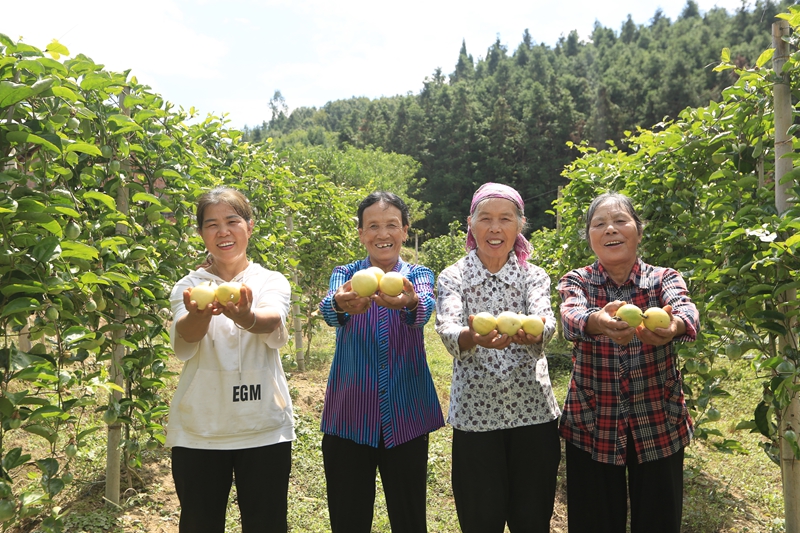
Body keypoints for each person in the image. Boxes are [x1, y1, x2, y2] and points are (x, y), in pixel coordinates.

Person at [557, 192, 699, 533]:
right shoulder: (578, 280)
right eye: (599, 224)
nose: (610, 229)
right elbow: (570, 316)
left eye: (620, 221)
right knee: (593, 522)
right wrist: (597, 321)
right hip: (593, 422)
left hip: (657, 421)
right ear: (589, 236)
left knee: (659, 521)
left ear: (638, 230)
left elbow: (685, 309)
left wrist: (674, 326)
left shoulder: (663, 278)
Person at [435, 182, 561, 533]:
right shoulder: (454, 276)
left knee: (532, 520)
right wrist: (472, 337)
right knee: (480, 521)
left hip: (532, 412)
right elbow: (447, 327)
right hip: (476, 416)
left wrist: (537, 331)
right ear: (471, 224)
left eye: (505, 219)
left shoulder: (533, 275)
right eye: (485, 218)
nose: (495, 228)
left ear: (519, 225)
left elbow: (546, 319)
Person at [166, 187, 294, 533]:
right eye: (212, 224)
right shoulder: (189, 286)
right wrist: (199, 314)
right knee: (199, 524)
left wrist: (245, 316)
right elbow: (185, 335)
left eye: (232, 221)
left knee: (267, 524)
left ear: (249, 226)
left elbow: (272, 321)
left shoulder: (270, 280)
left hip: (263, 427)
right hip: (200, 431)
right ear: (201, 233)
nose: (223, 232)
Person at [318, 191, 444, 533]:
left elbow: (424, 309)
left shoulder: (417, 275)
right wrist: (341, 304)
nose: (382, 233)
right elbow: (329, 308)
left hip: (406, 416)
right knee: (348, 519)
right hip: (350, 416)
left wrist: (409, 302)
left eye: (391, 225)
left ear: (405, 230)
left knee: (409, 519)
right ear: (361, 233)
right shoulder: (346, 274)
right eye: (373, 226)